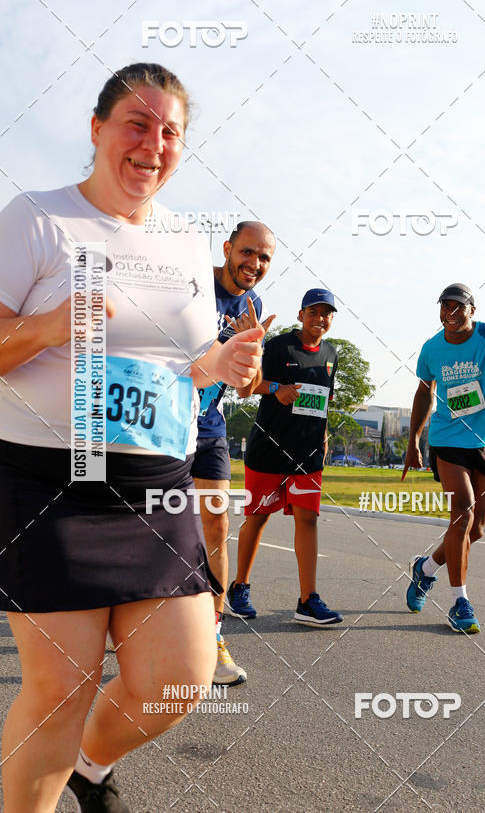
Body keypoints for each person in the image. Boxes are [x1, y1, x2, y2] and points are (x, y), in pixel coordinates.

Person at [0, 63, 264, 813]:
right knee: (58, 692)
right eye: (137, 124)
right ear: (96, 129)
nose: (153, 144)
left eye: (170, 131)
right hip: (50, 484)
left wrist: (225, 364)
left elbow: (183, 367)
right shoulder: (37, 218)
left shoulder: (185, 241)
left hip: (158, 486)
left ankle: (88, 767)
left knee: (179, 679)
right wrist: (55, 324)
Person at [402, 283, 485, 634]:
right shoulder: (432, 348)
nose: (451, 312)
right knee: (462, 510)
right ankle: (460, 601)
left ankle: (425, 569)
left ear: (471, 310)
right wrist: (414, 439)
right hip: (447, 439)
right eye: (445, 306)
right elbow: (423, 392)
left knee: (475, 529)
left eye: (459, 306)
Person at [227, 288, 344, 627]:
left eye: (326, 313)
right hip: (268, 449)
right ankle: (240, 587)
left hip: (307, 454)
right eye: (313, 312)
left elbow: (322, 401)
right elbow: (248, 386)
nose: (320, 318)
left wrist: (322, 440)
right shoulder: (278, 347)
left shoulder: (332, 354)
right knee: (259, 518)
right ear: (301, 314)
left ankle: (308, 600)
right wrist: (277, 388)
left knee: (308, 519)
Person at [191, 220, 276, 686]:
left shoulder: (253, 305)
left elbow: (243, 388)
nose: (255, 265)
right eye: (247, 253)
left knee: (218, 522)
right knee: (144, 525)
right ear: (227, 248)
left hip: (210, 425)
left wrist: (251, 351)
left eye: (264, 259)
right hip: (166, 422)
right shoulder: (192, 285)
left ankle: (213, 636)